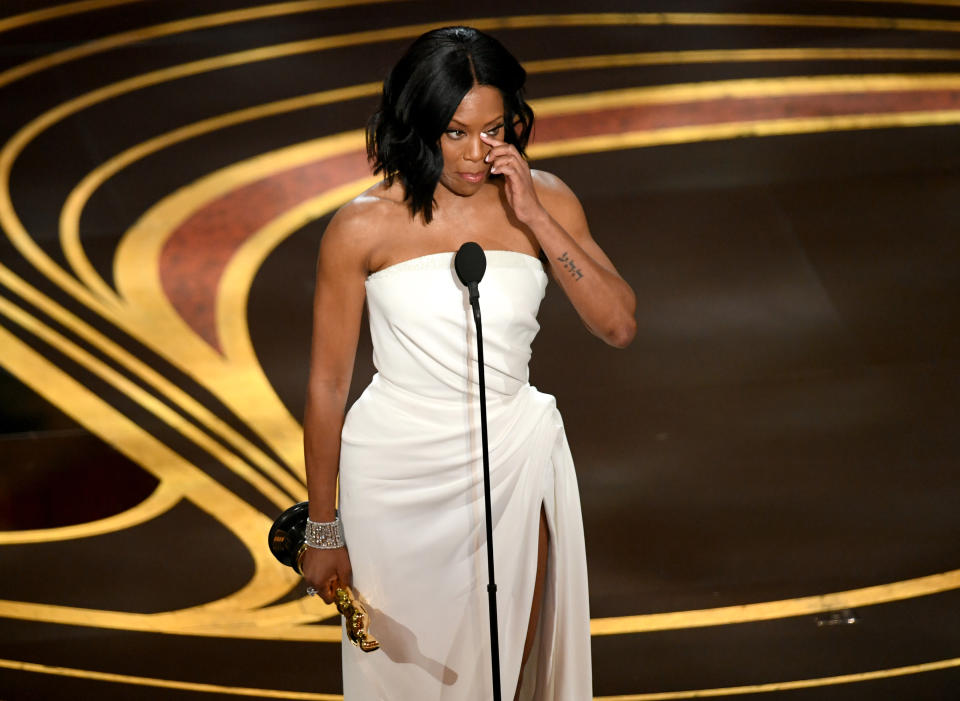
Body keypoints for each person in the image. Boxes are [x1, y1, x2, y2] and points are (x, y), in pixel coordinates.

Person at [301, 26, 636, 700]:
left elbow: (618, 323)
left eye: (494, 129)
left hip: (514, 460)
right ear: (420, 125)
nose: (478, 152)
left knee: (515, 672)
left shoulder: (549, 201)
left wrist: (536, 219)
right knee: (406, 682)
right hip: (395, 481)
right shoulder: (361, 226)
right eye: (456, 132)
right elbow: (329, 382)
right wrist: (322, 523)